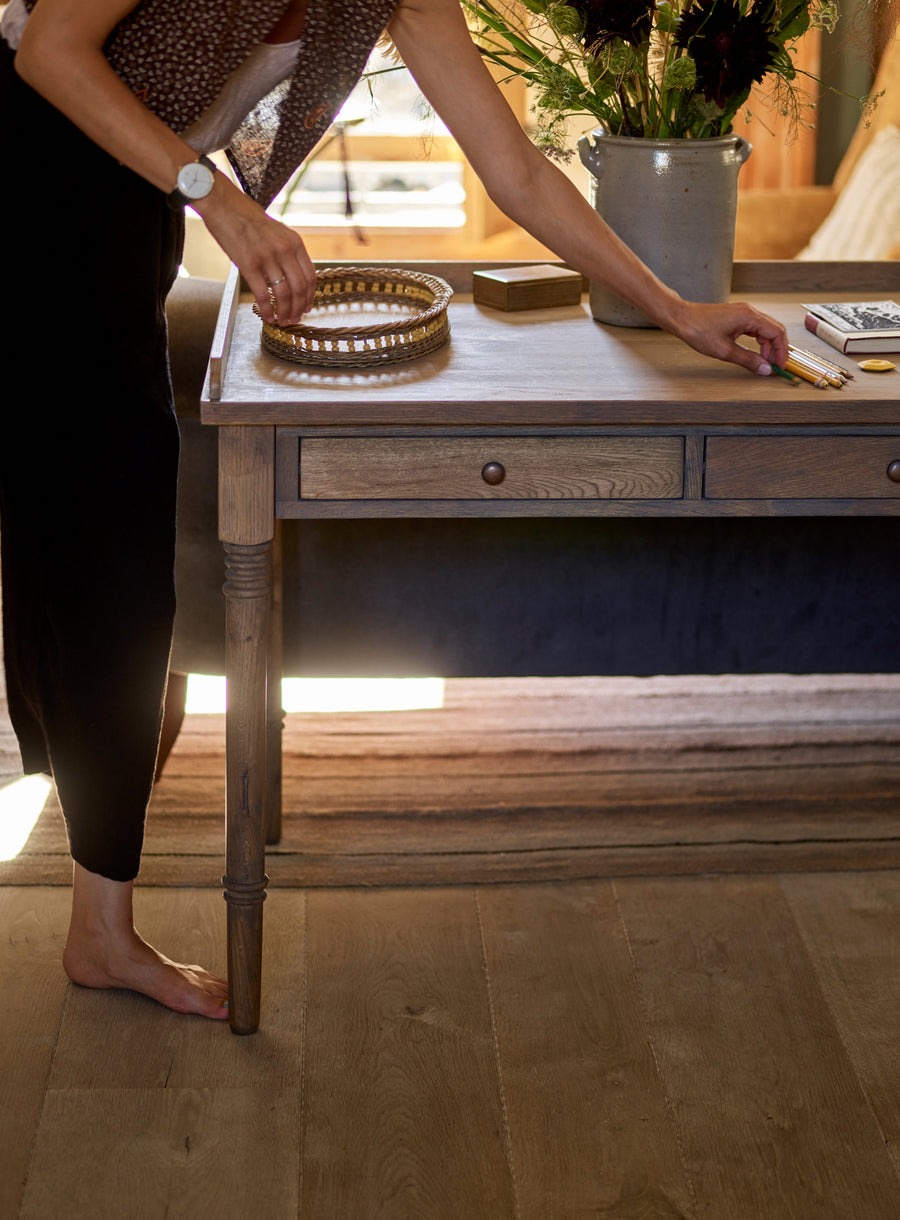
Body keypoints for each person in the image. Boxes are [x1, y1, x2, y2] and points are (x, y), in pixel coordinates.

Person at [0, 0, 788, 1022]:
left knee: (105, 559)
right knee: (109, 564)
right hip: (31, 183)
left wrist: (679, 309)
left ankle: (99, 926)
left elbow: (520, 174)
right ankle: (100, 928)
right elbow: (50, 50)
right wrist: (222, 205)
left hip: (119, 212)